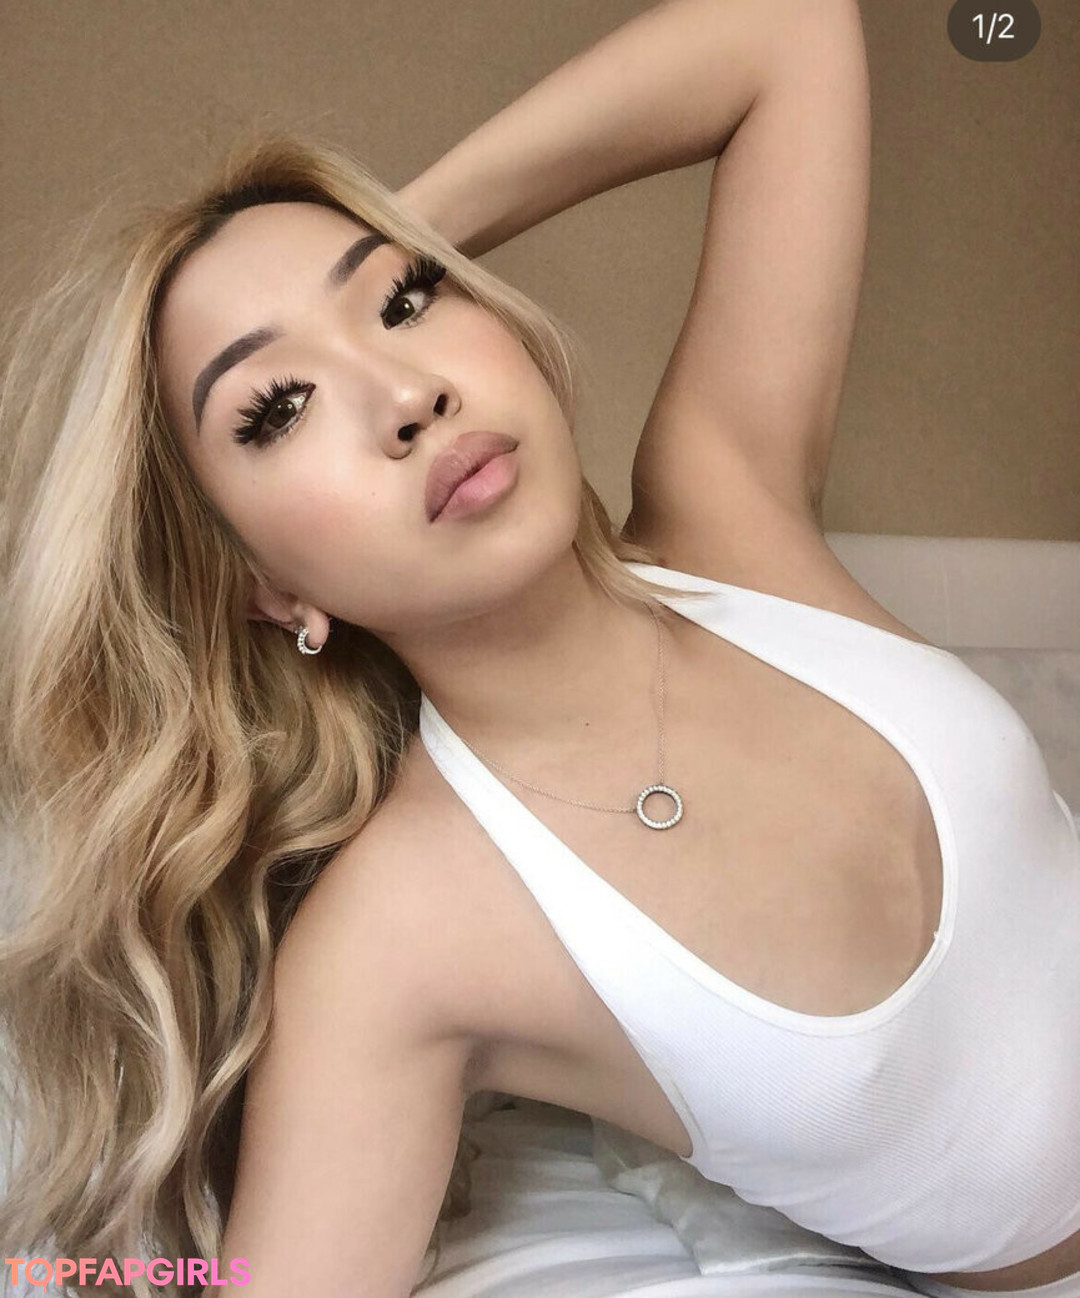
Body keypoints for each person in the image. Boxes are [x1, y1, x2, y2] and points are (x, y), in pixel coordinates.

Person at [0, 1, 1076, 1296]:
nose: (408, 393)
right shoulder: (404, 930)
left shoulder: (730, 521)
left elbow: (784, 32)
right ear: (260, 584)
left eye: (409, 299)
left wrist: (393, 227)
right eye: (278, 405)